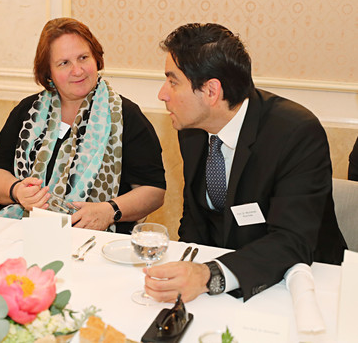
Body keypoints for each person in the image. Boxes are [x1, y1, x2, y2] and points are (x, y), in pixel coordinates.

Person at [144, 23, 346, 302]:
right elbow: (196, 213)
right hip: (221, 278)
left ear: (211, 91)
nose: (162, 94)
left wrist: (210, 275)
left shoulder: (296, 133)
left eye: (173, 81)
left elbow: (292, 240)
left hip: (298, 283)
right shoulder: (192, 127)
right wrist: (190, 265)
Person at [0, 18, 166, 234]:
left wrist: (110, 210)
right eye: (64, 63)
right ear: (48, 72)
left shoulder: (126, 116)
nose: (77, 70)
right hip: (25, 232)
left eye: (83, 58)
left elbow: (154, 191)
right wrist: (16, 191)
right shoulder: (27, 111)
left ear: (96, 59)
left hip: (96, 241)